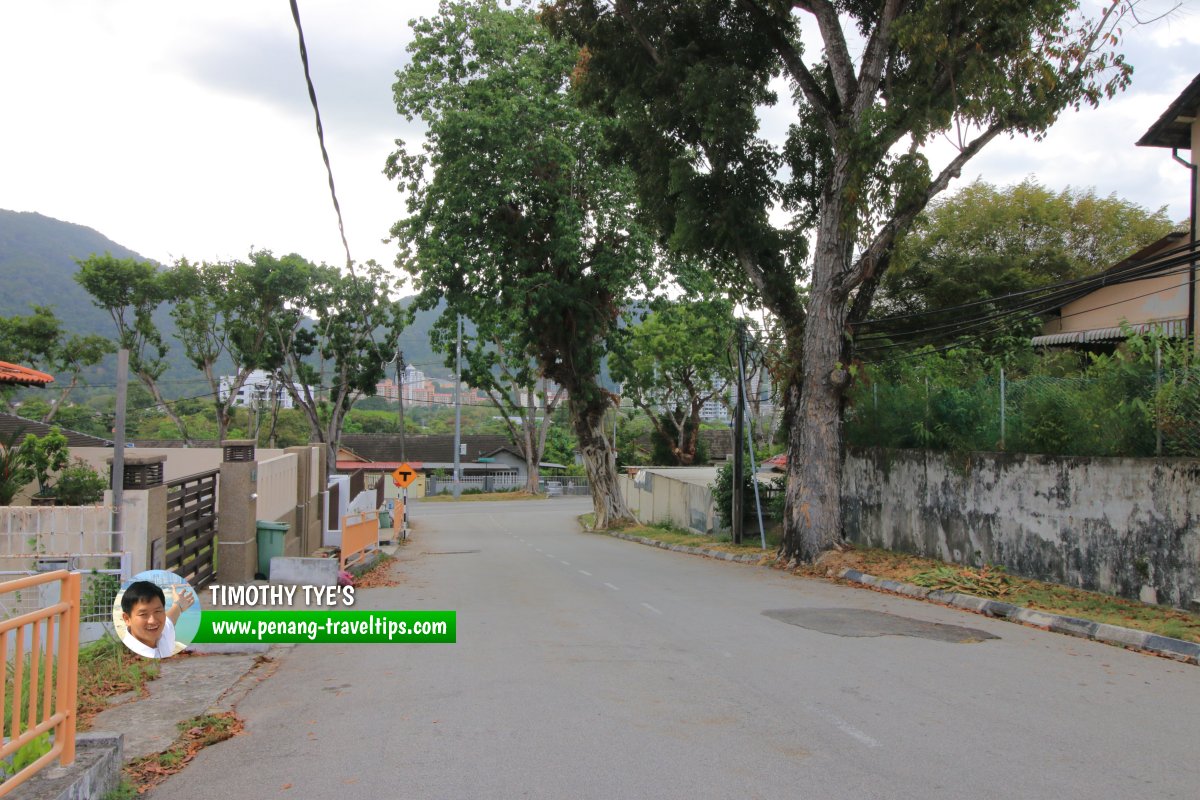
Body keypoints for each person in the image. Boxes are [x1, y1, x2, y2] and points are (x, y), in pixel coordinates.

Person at [119, 581, 194, 659]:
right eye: (143, 614)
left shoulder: (163, 632)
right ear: (127, 619)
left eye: (157, 611)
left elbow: (170, 618)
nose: (153, 621)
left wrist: (178, 604)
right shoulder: (129, 656)